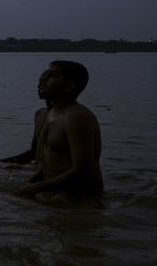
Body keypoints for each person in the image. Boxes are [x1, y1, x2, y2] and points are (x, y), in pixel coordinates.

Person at [14, 61, 103, 198]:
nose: (45, 79)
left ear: (69, 86)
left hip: (82, 201)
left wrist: (36, 188)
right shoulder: (52, 114)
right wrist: (29, 184)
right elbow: (49, 161)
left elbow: (83, 172)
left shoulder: (77, 117)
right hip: (55, 194)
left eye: (53, 75)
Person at [0, 94, 52, 165]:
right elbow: (34, 152)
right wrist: (3, 162)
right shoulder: (40, 114)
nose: (39, 87)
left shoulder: (60, 120)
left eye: (45, 82)